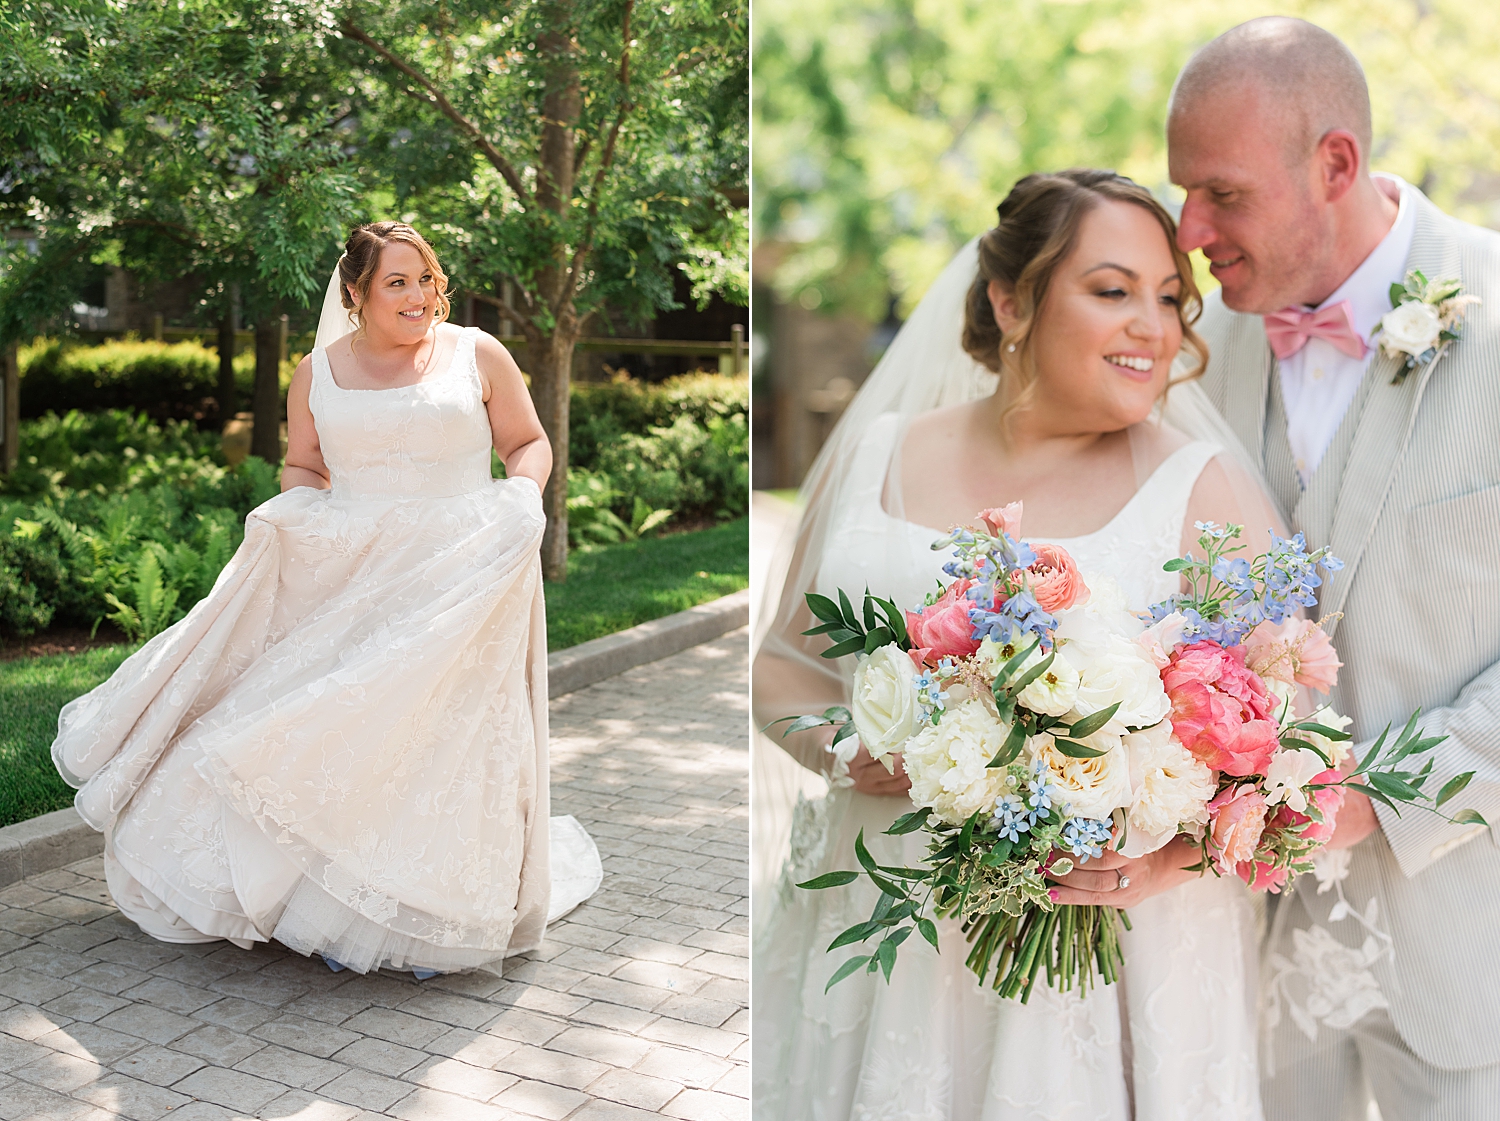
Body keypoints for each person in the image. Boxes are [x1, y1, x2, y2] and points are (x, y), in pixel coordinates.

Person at [753, 170, 1284, 1119]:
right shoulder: (878, 450)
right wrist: (844, 746)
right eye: (1113, 290)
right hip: (885, 933)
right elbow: (784, 667)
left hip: (1110, 962)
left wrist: (1156, 864)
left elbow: (1286, 762)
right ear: (1010, 301)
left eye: (1168, 298)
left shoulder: (1203, 491)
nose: (1154, 328)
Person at [52, 221, 600, 977]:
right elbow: (304, 465)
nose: (419, 295)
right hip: (358, 574)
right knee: (347, 728)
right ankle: (336, 912)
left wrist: (520, 503)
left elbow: (529, 442)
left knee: (445, 735)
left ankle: (431, 915)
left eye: (427, 278)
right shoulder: (317, 372)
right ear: (356, 293)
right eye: (397, 282)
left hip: (462, 565)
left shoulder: (479, 353)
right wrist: (298, 517)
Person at [1169, 17, 1500, 1117]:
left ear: (1337, 163)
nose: (1189, 228)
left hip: (1466, 957)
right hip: (1243, 959)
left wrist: (1383, 795)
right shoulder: (1193, 358)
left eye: (1220, 192)